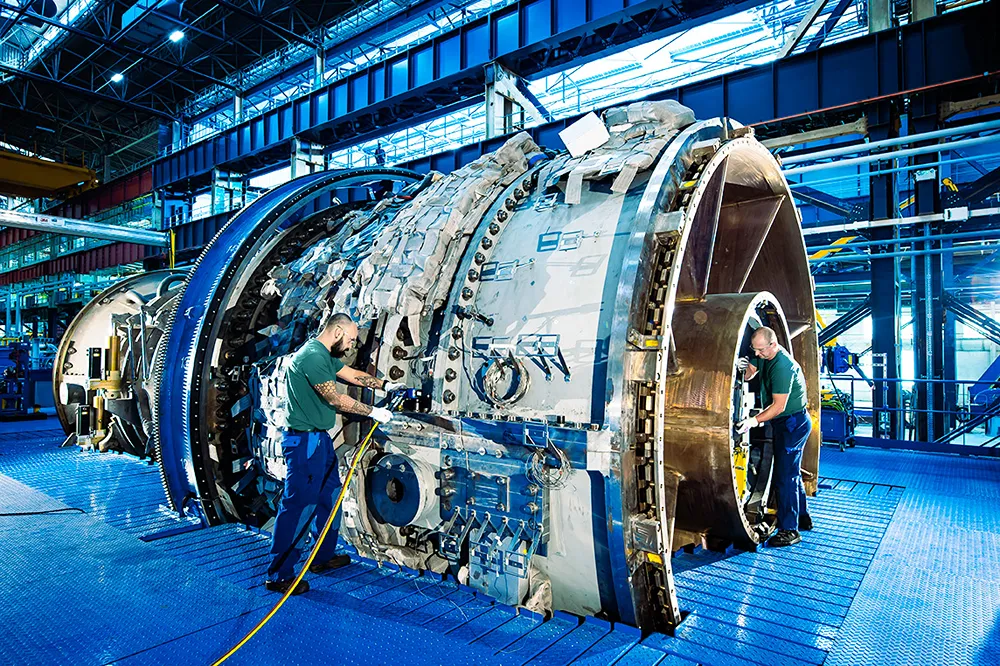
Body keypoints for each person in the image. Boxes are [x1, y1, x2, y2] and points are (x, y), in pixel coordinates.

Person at [265, 312, 407, 594]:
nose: (353, 344)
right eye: (352, 339)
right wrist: (373, 411)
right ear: (338, 331)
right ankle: (279, 574)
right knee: (299, 506)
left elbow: (350, 375)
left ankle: (322, 557)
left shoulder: (322, 353)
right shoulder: (312, 357)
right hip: (304, 444)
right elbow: (334, 397)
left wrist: (386, 385)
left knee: (330, 496)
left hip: (319, 442)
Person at [736, 326, 813, 547]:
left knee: (784, 476)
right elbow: (752, 371)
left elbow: (778, 407)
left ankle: (790, 530)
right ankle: (802, 517)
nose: (757, 354)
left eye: (761, 350)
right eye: (755, 350)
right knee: (791, 471)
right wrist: (743, 368)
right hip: (786, 422)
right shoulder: (765, 355)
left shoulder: (782, 367)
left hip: (792, 423)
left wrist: (753, 421)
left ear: (774, 345)